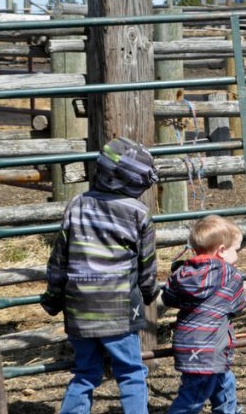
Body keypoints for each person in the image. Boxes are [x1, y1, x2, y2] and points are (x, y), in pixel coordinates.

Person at [41, 137, 160, 413]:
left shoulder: (77, 205)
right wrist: (148, 292)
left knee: (85, 374)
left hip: (79, 309)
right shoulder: (138, 213)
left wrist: (52, 298)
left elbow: (59, 259)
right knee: (131, 373)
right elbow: (147, 263)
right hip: (118, 311)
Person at [162, 215, 246, 414]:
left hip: (187, 344)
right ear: (221, 251)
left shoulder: (182, 273)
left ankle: (229, 411)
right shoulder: (231, 276)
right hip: (210, 348)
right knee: (192, 399)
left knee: (224, 381)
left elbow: (169, 298)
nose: (237, 255)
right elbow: (238, 305)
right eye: (236, 249)